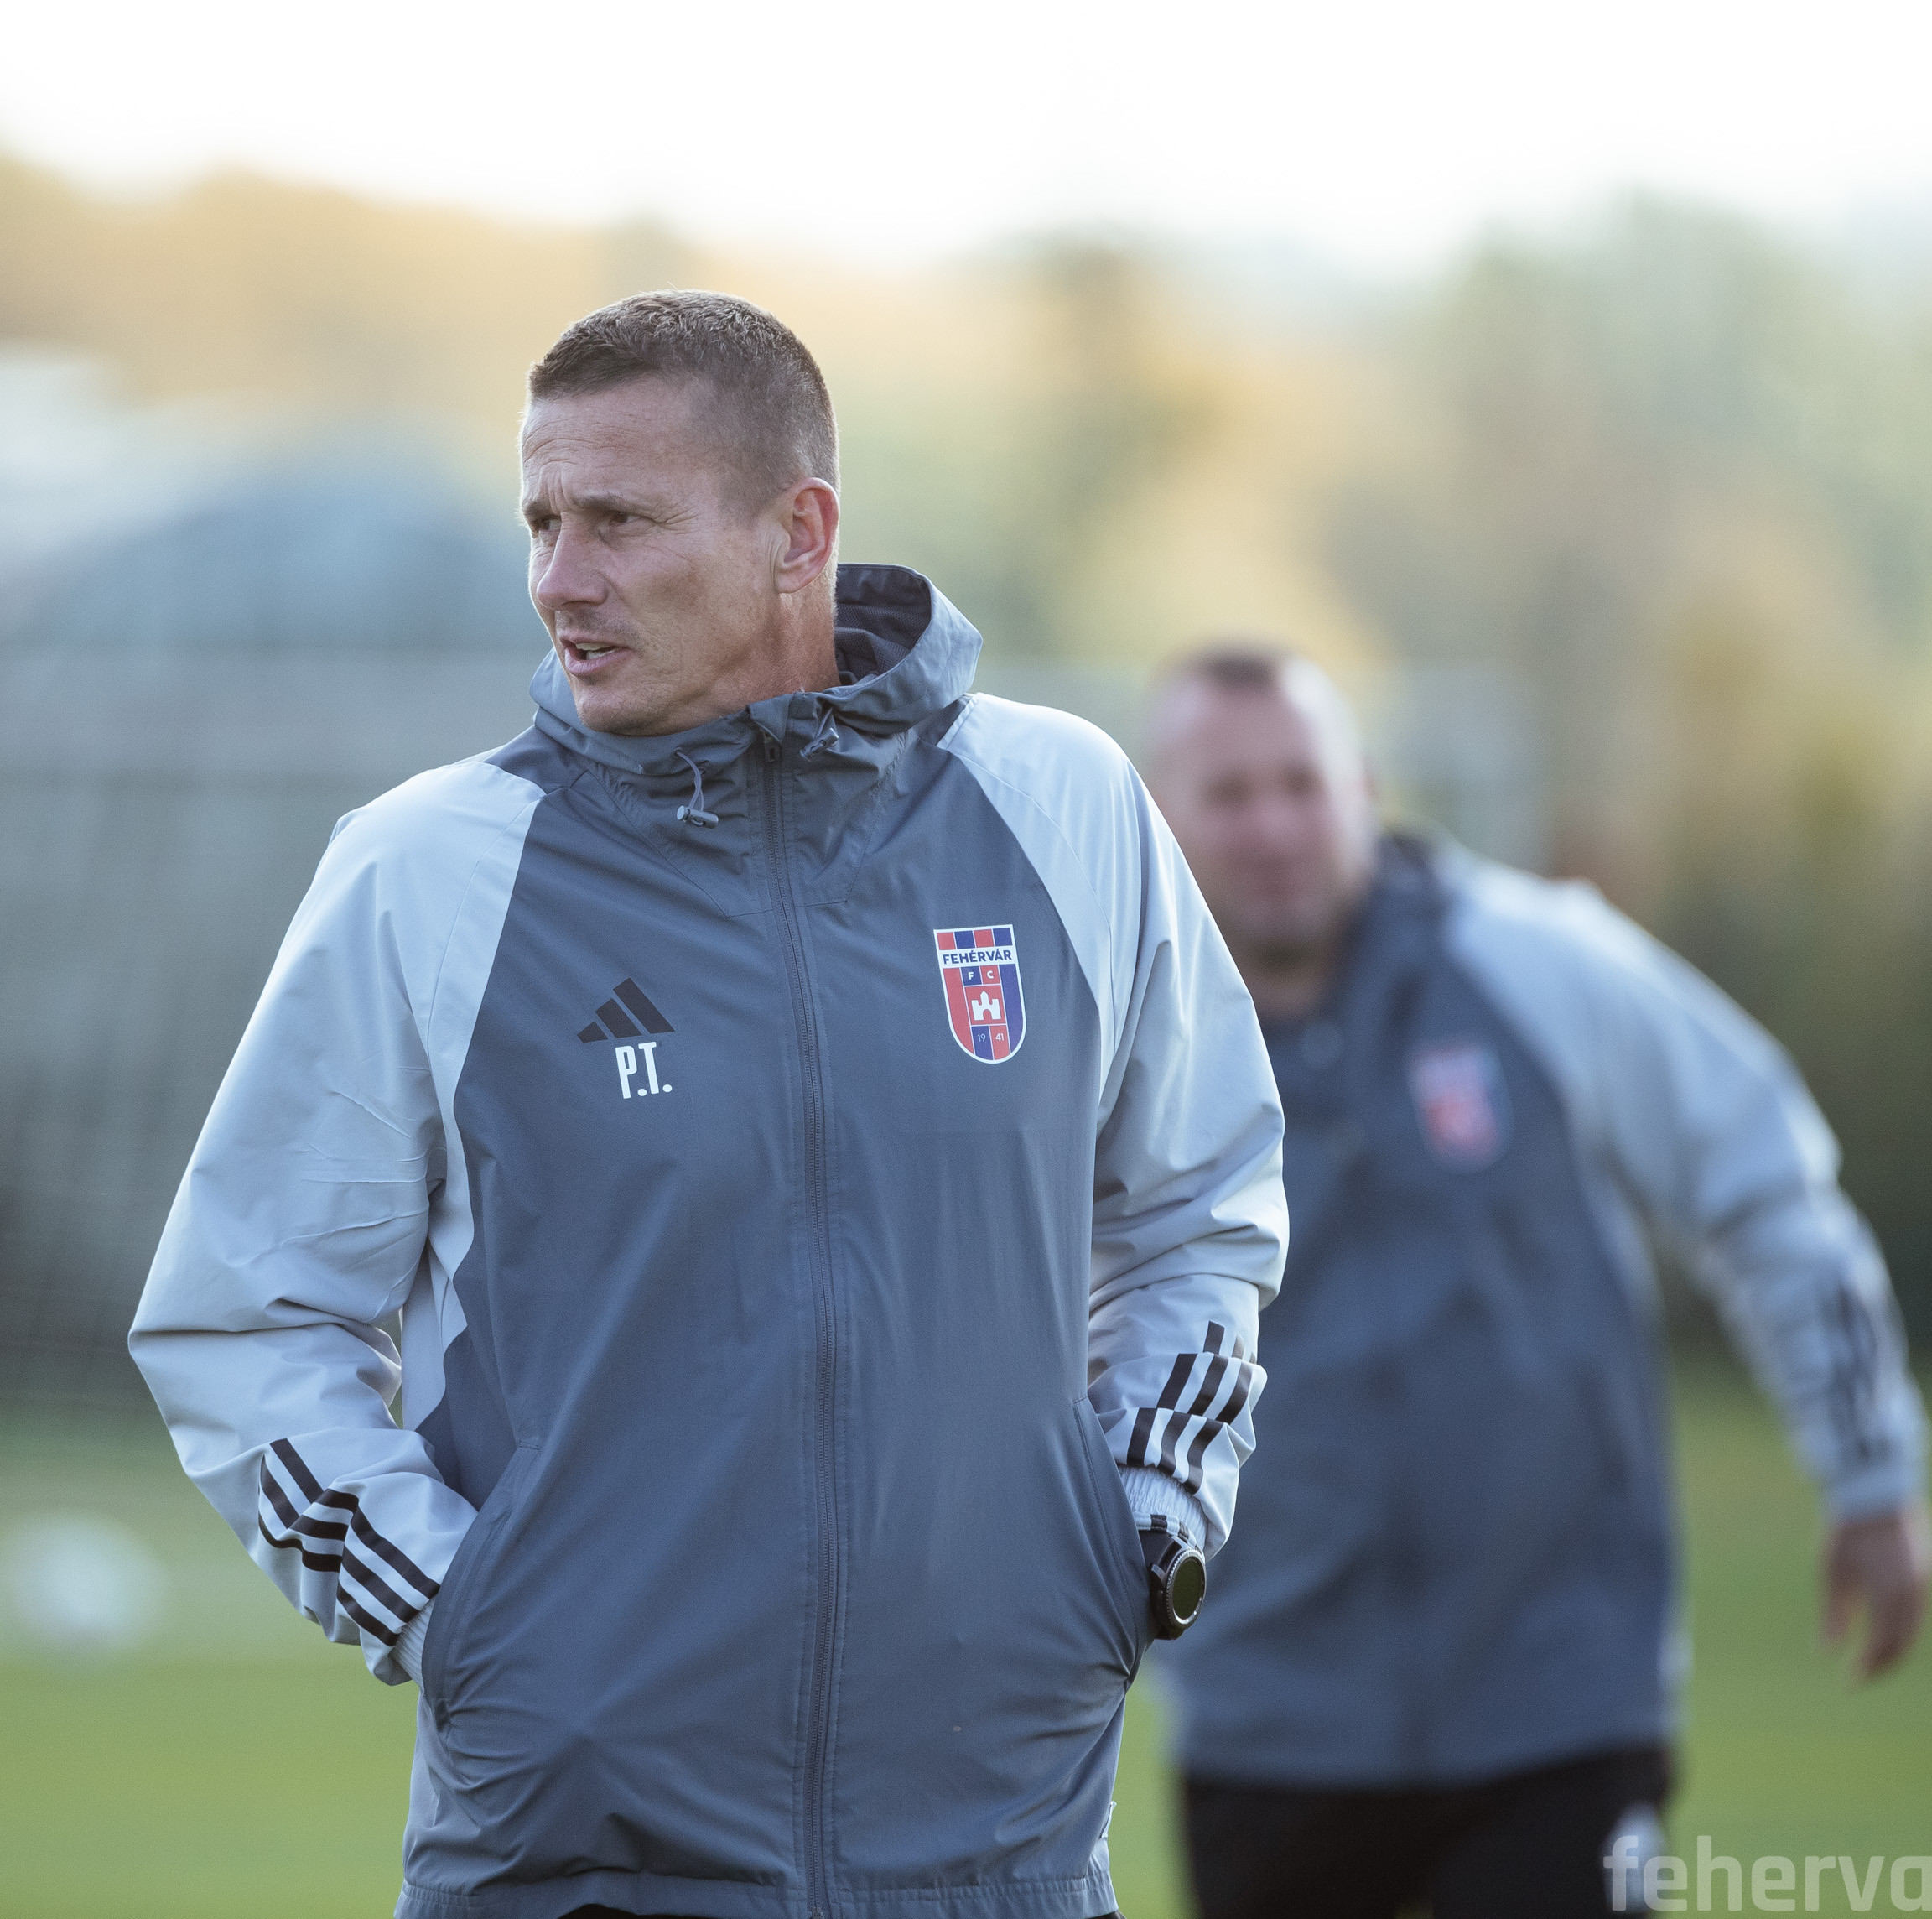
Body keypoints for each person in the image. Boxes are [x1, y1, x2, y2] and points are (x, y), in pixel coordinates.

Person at [130, 293, 1288, 1919]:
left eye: (617, 522)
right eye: (540, 522)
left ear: (796, 532)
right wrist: (467, 1619)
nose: (558, 579)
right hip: (574, 1853)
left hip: (1001, 1842)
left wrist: (1142, 1531)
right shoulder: (427, 871)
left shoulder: (1061, 805)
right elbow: (246, 1315)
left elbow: (1199, 1208)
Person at [1141, 647, 1932, 1919]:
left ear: (1366, 788)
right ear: (1158, 814)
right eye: (1230, 794)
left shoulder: (1539, 964)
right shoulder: (1122, 1041)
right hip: (1266, 1721)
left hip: (1558, 1711)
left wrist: (1872, 1468)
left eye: (1302, 783)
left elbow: (1768, 1183)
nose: (1274, 826)